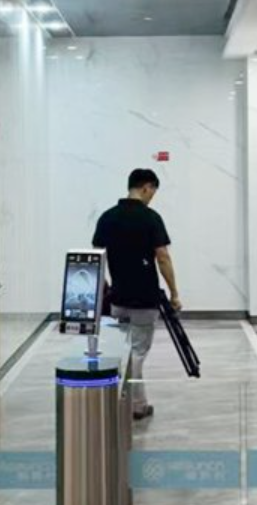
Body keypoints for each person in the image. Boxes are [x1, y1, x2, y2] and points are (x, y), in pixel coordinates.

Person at [93, 168, 182, 420]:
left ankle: (138, 404)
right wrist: (174, 293)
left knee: (126, 350)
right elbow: (162, 257)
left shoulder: (107, 217)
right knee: (137, 353)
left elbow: (96, 254)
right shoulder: (151, 218)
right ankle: (123, 402)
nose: (152, 196)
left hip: (118, 298)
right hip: (145, 298)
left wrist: (105, 284)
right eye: (153, 191)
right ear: (146, 187)